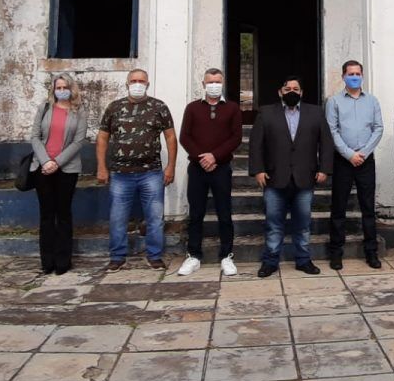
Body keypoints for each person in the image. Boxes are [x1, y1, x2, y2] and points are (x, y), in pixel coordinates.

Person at [248, 76, 333, 277]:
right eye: (287, 89)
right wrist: (258, 170)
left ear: (302, 92)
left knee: (303, 224)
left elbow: (326, 143)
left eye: (296, 88)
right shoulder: (266, 113)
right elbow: (255, 144)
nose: (292, 91)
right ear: (280, 92)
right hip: (274, 178)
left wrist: (324, 169)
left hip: (305, 178)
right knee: (273, 224)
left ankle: (303, 260)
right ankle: (270, 261)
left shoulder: (315, 112)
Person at [97, 68, 176, 272]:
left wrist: (171, 167)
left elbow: (170, 137)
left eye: (141, 80)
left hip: (151, 172)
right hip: (121, 175)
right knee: (117, 217)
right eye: (134, 80)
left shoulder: (159, 107)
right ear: (127, 84)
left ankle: (155, 255)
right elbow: (103, 137)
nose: (137, 83)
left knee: (155, 218)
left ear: (148, 84)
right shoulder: (114, 107)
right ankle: (117, 257)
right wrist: (101, 167)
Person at [177, 67, 242, 277]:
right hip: (197, 168)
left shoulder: (232, 108)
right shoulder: (193, 108)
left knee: (225, 213)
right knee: (196, 214)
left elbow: (236, 137)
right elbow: (185, 137)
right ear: (203, 84)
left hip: (221, 168)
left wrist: (214, 156)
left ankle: (226, 256)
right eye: (210, 82)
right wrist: (202, 158)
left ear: (222, 84)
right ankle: (194, 255)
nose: (214, 85)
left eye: (217, 81)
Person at [324, 60, 384, 270]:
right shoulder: (334, 102)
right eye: (351, 74)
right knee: (338, 208)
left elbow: (378, 129)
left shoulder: (373, 101)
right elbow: (332, 131)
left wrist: (364, 153)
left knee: (368, 208)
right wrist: (350, 154)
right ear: (343, 77)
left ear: (362, 76)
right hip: (343, 161)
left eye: (358, 73)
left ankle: (371, 253)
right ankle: (336, 253)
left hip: (366, 161)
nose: (355, 77)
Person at [28, 73, 88, 275]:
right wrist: (46, 161)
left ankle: (63, 261)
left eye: (65, 87)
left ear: (72, 88)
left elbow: (79, 141)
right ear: (53, 89)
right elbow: (35, 137)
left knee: (63, 214)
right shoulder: (44, 108)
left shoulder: (79, 111)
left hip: (67, 169)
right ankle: (47, 261)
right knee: (46, 215)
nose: (61, 90)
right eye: (58, 87)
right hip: (42, 168)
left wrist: (57, 162)